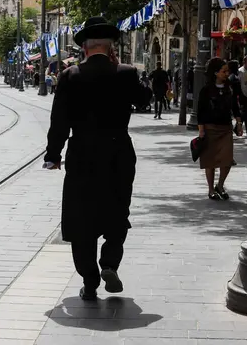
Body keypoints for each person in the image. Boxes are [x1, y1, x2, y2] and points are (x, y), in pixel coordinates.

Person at [44, 16, 146, 301]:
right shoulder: (125, 72)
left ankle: (89, 280)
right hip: (118, 153)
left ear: (85, 48)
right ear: (110, 46)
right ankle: (110, 264)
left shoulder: (70, 75)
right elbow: (145, 99)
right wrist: (125, 68)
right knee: (117, 210)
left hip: (82, 155)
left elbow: (59, 120)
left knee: (81, 217)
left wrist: (53, 155)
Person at [197, 57, 243, 200]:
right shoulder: (206, 90)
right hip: (210, 128)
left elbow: (235, 107)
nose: (226, 73)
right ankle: (211, 189)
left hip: (226, 128)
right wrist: (201, 130)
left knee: (227, 160)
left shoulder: (230, 87)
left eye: (227, 71)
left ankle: (220, 185)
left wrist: (239, 123)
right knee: (210, 161)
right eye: (224, 71)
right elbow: (201, 111)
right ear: (215, 73)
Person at [237, 55, 247, 137]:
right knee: (245, 113)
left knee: (246, 113)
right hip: (243, 95)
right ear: (244, 62)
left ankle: (238, 128)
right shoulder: (240, 71)